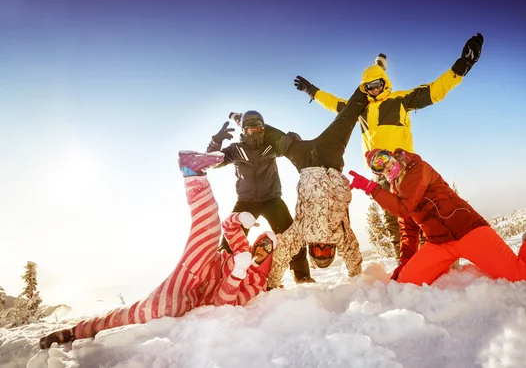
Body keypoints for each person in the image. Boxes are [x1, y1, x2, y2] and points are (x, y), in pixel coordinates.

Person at [39, 151, 278, 349]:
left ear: (270, 256)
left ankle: (75, 331)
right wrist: (241, 218)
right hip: (201, 263)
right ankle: (193, 173)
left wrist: (237, 274)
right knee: (210, 231)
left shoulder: (256, 283)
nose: (261, 249)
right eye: (262, 243)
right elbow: (228, 227)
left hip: (192, 295)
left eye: (267, 248)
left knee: (159, 307)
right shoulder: (244, 249)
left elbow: (222, 302)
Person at [293, 34, 485, 262]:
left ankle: (437, 254)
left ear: (385, 83)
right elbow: (334, 103)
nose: (374, 90)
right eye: (368, 87)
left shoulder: (400, 100)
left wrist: (463, 65)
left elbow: (435, 90)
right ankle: (405, 260)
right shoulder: (360, 109)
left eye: (377, 84)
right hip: (379, 173)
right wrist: (312, 91)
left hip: (406, 169)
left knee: (422, 212)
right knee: (392, 218)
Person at [347, 148, 526, 286]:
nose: (384, 164)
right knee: (406, 283)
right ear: (378, 173)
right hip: (440, 243)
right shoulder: (395, 190)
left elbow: (404, 208)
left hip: (468, 231)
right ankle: (448, 261)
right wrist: (405, 262)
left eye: (383, 157)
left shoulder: (418, 167)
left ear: (392, 154)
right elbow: (408, 227)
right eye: (377, 166)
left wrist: (371, 189)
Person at [262, 85, 370, 289]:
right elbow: (354, 258)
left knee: (275, 137)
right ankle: (369, 85)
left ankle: (245, 121)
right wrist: (357, 280)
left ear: (311, 249)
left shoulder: (300, 234)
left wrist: (272, 283)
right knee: (347, 118)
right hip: (331, 158)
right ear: (334, 251)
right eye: (325, 251)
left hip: (305, 162)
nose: (322, 245)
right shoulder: (342, 236)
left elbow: (282, 255)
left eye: (318, 251)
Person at [206, 111, 314, 284]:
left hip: (272, 200)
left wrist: (294, 138)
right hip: (246, 202)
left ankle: (302, 275)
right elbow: (211, 162)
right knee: (229, 241)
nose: (255, 133)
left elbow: (289, 146)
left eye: (259, 129)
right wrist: (216, 141)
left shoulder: (270, 146)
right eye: (250, 130)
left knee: (292, 236)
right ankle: (219, 278)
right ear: (243, 130)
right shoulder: (236, 149)